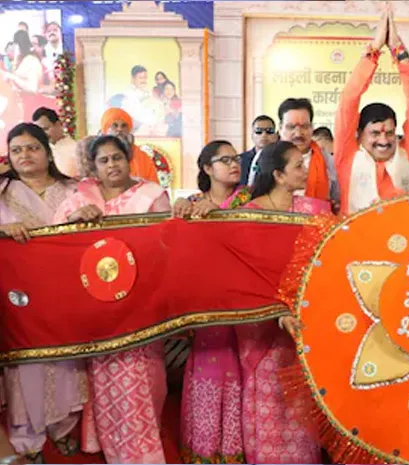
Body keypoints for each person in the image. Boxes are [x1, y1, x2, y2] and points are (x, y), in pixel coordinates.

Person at [54, 135, 171, 464]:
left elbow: (165, 247)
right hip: (96, 305)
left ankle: (143, 452)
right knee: (103, 375)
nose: (111, 165)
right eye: (103, 160)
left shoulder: (150, 196)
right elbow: (56, 246)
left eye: (117, 158)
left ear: (128, 159)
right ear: (94, 166)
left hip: (140, 303)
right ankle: (105, 441)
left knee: (141, 375)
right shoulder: (78, 199)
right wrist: (75, 224)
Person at [0, 123, 85, 464]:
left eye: (32, 148)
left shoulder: (75, 190)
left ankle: (64, 426)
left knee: (67, 358)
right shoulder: (2, 191)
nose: (25, 155)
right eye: (17, 150)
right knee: (26, 364)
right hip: (19, 297)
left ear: (47, 152)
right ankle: (27, 437)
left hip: (67, 293)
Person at [241, 140, 327, 462]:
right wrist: (275, 309)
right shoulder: (249, 215)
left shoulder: (314, 210)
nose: (305, 172)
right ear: (278, 174)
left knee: (300, 400)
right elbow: (247, 271)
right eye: (298, 166)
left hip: (303, 318)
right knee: (267, 398)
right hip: (260, 323)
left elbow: (323, 261)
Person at [176, 140, 248, 463]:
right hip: (206, 300)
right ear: (207, 168)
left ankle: (235, 447)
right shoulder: (191, 203)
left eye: (236, 158)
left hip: (243, 298)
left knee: (241, 366)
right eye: (225, 159)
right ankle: (204, 447)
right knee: (209, 364)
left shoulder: (249, 200)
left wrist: (220, 216)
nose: (234, 164)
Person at [334, 5, 409, 214]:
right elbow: (348, 101)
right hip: (351, 243)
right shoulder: (346, 155)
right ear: (358, 134)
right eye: (375, 133)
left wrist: (400, 53)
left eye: (389, 133)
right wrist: (373, 51)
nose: (384, 141)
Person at [277, 98, 336, 204]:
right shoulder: (265, 158)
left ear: (312, 128)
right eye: (291, 127)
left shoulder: (328, 162)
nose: (298, 133)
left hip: (318, 219)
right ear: (280, 129)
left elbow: (338, 199)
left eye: (304, 126)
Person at [99, 107, 160, 184]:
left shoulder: (142, 156)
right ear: (105, 130)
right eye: (115, 126)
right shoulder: (96, 155)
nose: (119, 129)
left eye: (124, 126)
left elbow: (154, 188)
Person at [32, 107, 79, 178]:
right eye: (39, 131)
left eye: (46, 129)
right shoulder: (40, 152)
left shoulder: (76, 149)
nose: (43, 134)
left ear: (58, 124)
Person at [239, 115, 277, 186]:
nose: (264, 135)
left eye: (269, 131)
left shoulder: (282, 159)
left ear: (276, 135)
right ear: (252, 136)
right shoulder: (241, 160)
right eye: (259, 131)